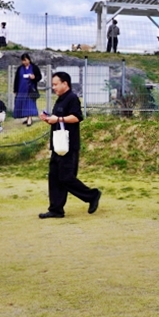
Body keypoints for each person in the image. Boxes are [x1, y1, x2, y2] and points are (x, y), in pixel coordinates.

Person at [39, 71, 101, 218]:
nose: (53, 87)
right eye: (53, 85)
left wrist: (58, 119)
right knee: (54, 177)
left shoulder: (72, 98)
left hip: (68, 146)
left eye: (55, 84)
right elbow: (58, 120)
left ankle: (92, 195)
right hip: (57, 145)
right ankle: (56, 209)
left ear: (65, 84)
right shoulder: (59, 100)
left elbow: (76, 117)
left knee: (66, 177)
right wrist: (48, 119)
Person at [14, 53, 42, 126]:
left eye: (25, 60)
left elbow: (39, 77)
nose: (24, 62)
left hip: (30, 89)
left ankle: (29, 118)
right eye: (23, 61)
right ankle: (27, 118)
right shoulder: (20, 68)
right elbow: (16, 79)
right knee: (23, 104)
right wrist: (15, 89)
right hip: (21, 89)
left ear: (29, 60)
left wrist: (34, 78)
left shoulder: (34, 67)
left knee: (30, 103)